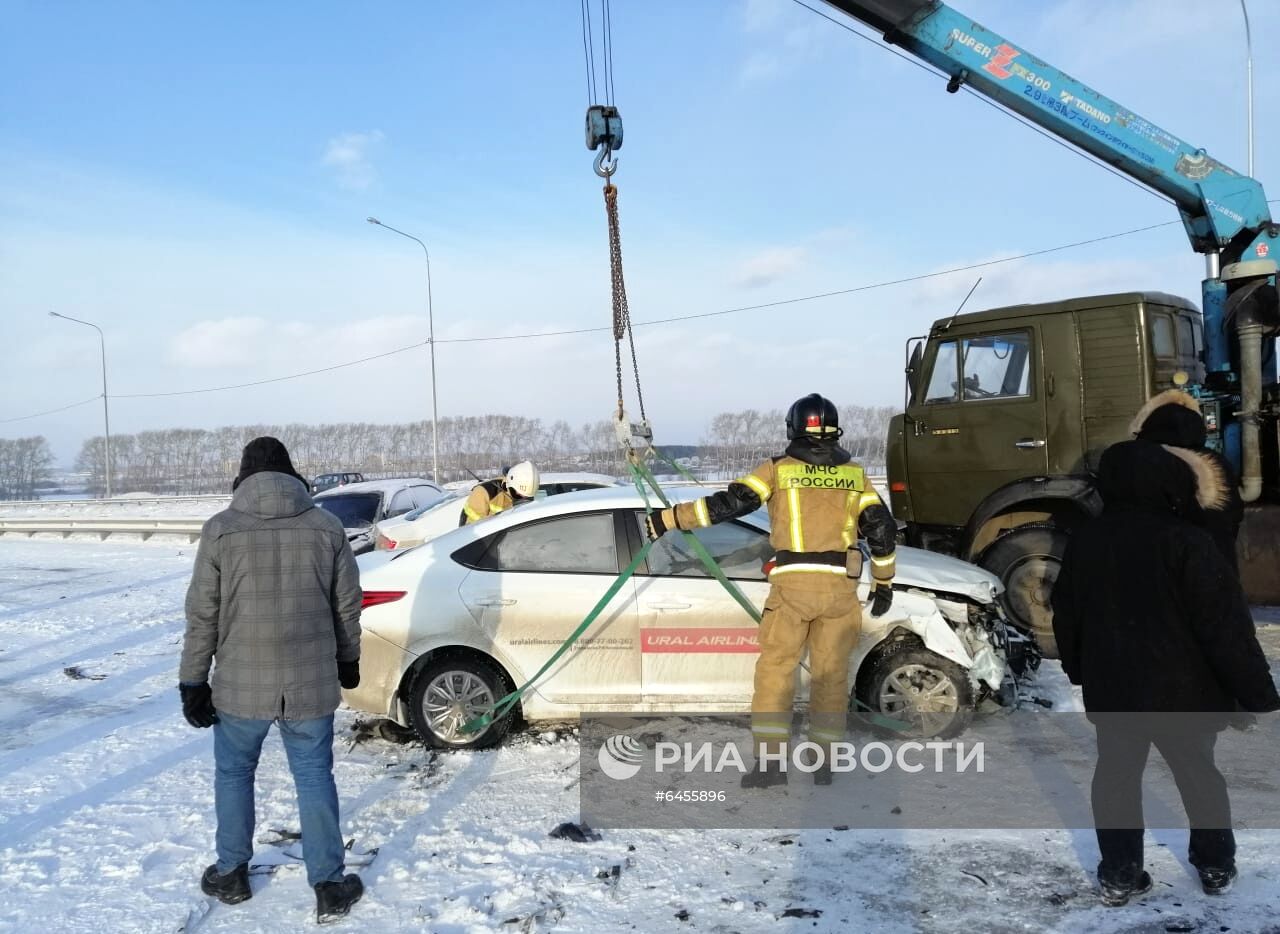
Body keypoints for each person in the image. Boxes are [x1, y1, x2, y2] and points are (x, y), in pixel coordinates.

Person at [1051, 440, 1279, 907]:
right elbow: (1224, 626)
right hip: (1185, 693)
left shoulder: (1087, 541)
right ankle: (1215, 866)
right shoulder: (1188, 541)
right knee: (1199, 776)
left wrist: (1080, 671)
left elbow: (1066, 616)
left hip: (1115, 692)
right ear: (1171, 483)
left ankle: (1119, 874)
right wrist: (1257, 691)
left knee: (1115, 778)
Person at [645, 393, 897, 787]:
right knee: (831, 677)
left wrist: (670, 518)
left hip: (792, 589)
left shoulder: (778, 469)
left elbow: (731, 504)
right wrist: (884, 583)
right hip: (838, 592)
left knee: (776, 674)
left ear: (793, 427)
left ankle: (771, 765)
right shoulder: (855, 474)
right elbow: (882, 529)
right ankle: (824, 763)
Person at [179, 436, 367, 924]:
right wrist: (349, 660)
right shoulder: (327, 527)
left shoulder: (220, 530)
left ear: (243, 476)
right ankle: (328, 885)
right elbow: (347, 604)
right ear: (292, 473)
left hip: (239, 686)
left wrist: (193, 680)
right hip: (311, 683)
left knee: (234, 774)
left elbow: (203, 613)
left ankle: (232, 872)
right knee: (313, 776)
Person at [1131, 388, 1244, 569]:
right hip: (1219, 560)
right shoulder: (1217, 460)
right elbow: (1235, 512)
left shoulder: (1150, 462)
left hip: (1171, 568)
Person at [460, 460, 540, 526]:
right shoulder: (484, 493)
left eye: (526, 496)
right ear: (510, 483)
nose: (523, 498)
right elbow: (471, 532)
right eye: (518, 494)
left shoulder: (529, 492)